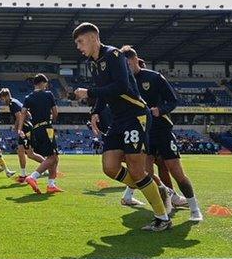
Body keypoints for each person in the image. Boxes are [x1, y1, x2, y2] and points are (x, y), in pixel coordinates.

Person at [71, 23, 171, 232]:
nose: (78, 47)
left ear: (92, 38)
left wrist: (89, 93)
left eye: (80, 42)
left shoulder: (113, 55)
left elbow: (121, 86)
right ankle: (156, 188)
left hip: (135, 115)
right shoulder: (94, 63)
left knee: (136, 168)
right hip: (118, 119)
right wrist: (96, 111)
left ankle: (162, 218)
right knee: (109, 167)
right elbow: (105, 92)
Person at [122, 47, 203, 222]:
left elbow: (173, 100)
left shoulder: (154, 77)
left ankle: (195, 209)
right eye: (124, 65)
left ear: (136, 60)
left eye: (128, 64)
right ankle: (167, 202)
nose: (127, 68)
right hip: (143, 132)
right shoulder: (124, 83)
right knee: (145, 173)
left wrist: (161, 109)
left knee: (176, 170)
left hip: (161, 129)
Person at [21, 75, 63, 194]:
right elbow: (55, 112)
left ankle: (51, 185)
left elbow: (23, 114)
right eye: (46, 83)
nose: (46, 86)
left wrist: (19, 128)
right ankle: (33, 177)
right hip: (47, 128)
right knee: (53, 157)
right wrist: (52, 121)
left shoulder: (28, 97)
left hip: (36, 130)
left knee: (55, 157)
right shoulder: (48, 94)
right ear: (43, 83)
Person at [0, 88, 44, 183]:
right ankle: (23, 174)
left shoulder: (12, 104)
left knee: (30, 154)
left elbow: (19, 117)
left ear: (6, 96)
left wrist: (17, 128)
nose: (2, 101)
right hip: (26, 127)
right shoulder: (16, 101)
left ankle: (47, 165)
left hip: (25, 129)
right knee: (21, 151)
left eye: (2, 98)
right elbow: (27, 113)